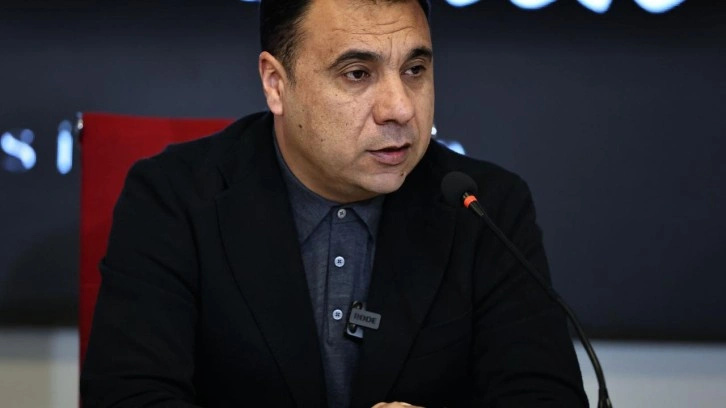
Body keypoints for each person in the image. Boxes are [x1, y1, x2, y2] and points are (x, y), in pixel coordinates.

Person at [81, 0, 588, 407]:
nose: (400, 108)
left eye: (415, 69)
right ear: (276, 84)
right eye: (357, 73)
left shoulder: (484, 207)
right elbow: (128, 397)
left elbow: (545, 397)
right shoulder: (174, 199)